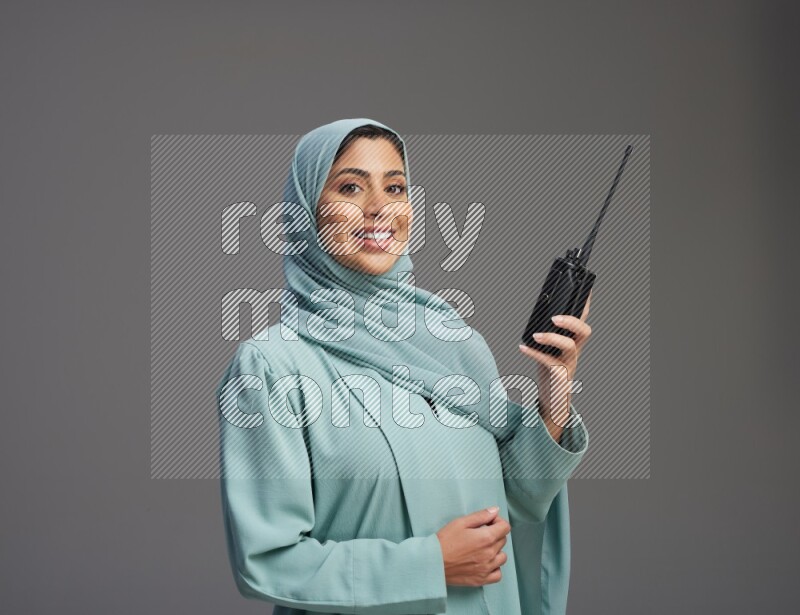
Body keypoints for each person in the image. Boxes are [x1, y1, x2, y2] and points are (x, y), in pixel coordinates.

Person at [216, 118, 591, 615]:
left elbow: (513, 507)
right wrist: (431, 563)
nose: (378, 209)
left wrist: (554, 389)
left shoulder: (453, 343)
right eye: (350, 187)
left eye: (395, 188)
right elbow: (267, 561)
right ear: (306, 210)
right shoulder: (273, 367)